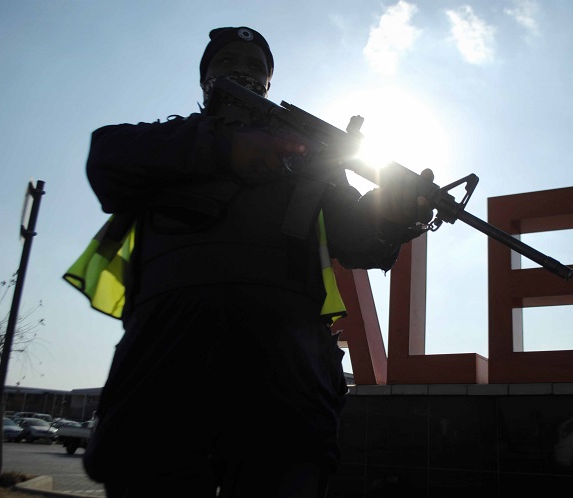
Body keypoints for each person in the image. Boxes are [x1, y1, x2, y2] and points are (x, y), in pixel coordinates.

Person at [82, 26, 434, 497]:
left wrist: (391, 215)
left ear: (270, 84)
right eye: (227, 62)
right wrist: (226, 150)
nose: (242, 72)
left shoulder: (309, 163)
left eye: (255, 67)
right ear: (205, 78)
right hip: (163, 374)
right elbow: (106, 156)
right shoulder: (170, 142)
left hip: (283, 385)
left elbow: (356, 238)